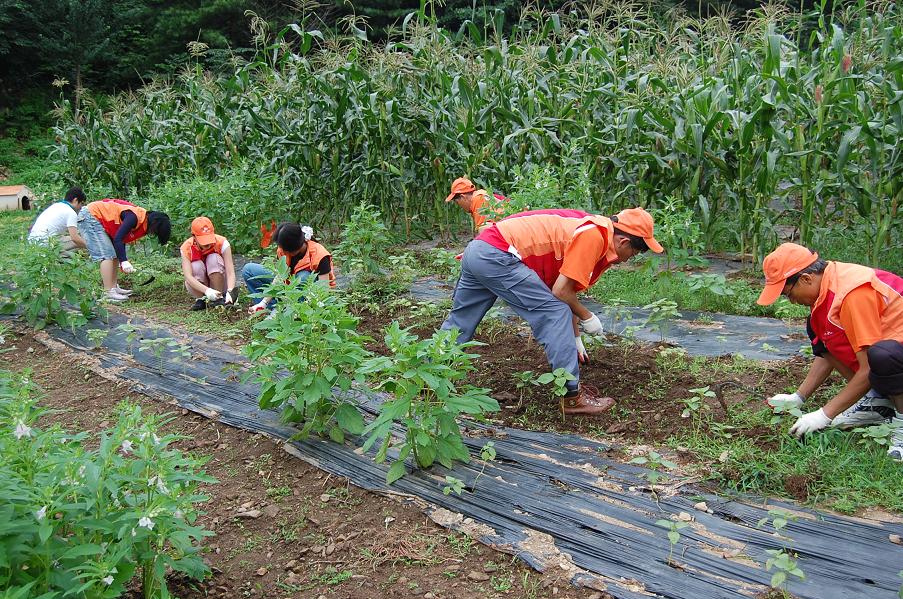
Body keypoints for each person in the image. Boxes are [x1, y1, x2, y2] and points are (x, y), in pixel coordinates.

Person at [441, 207, 663, 416]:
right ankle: (572, 397)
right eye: (634, 254)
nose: (629, 259)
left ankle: (430, 375)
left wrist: (575, 338)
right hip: (498, 255)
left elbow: (567, 288)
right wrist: (587, 316)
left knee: (461, 321)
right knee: (555, 313)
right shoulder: (593, 237)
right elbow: (560, 293)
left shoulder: (594, 229)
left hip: (480, 250)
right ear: (623, 241)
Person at [756, 243, 903, 460]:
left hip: (893, 354)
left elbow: (867, 369)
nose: (792, 301)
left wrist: (824, 415)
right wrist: (799, 397)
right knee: (818, 326)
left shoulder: (853, 294)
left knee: (883, 356)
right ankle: (878, 401)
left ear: (806, 278)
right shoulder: (827, 290)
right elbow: (828, 347)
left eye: (789, 293)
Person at [77, 198, 171, 302]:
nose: (153, 233)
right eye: (155, 231)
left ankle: (113, 288)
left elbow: (119, 243)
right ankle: (108, 292)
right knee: (106, 255)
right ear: (154, 224)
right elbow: (118, 239)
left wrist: (122, 259)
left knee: (114, 254)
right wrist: (124, 261)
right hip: (90, 216)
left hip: (96, 217)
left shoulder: (141, 221)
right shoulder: (134, 217)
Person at [242, 223, 336, 316]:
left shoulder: (319, 255)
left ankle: (292, 313)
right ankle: (271, 308)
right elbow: (280, 276)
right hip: (287, 285)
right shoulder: (283, 250)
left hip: (309, 293)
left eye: (284, 250)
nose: (281, 251)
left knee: (302, 278)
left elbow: (324, 290)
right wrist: (264, 302)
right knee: (249, 270)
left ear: (293, 249)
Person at [179, 217, 238, 311]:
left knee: (213, 258)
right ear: (194, 236)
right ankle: (201, 299)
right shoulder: (186, 248)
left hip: (221, 282)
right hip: (201, 288)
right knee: (196, 265)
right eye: (203, 240)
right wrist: (207, 291)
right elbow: (188, 277)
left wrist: (230, 291)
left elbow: (230, 272)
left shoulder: (222, 243)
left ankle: (219, 298)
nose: (208, 244)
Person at [27, 187, 88, 254]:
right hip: (45, 244)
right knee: (80, 242)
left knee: (71, 240)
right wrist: (91, 247)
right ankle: (61, 257)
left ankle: (60, 255)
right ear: (75, 200)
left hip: (33, 242)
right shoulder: (71, 212)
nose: (81, 207)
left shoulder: (56, 206)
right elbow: (75, 238)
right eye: (81, 204)